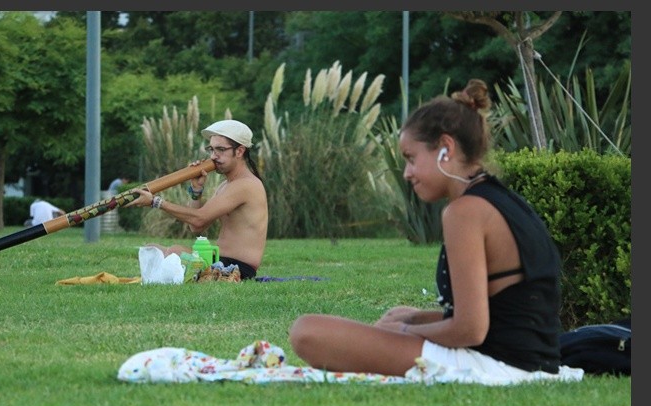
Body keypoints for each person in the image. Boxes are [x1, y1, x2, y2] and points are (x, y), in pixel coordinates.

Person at [288, 79, 565, 380]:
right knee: (392, 316)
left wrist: (405, 330)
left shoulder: (464, 211)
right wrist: (415, 316)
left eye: (411, 158)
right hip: (523, 360)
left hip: (493, 365)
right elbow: (501, 316)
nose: (407, 173)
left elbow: (470, 330)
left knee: (308, 332)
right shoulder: (498, 199)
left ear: (446, 147)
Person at [127, 119, 268, 280]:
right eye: (212, 150)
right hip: (219, 261)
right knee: (152, 249)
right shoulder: (226, 185)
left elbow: (198, 220)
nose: (214, 156)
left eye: (221, 150)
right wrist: (196, 191)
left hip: (237, 268)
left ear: (239, 151)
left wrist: (156, 202)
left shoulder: (245, 185)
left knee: (173, 252)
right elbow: (196, 227)